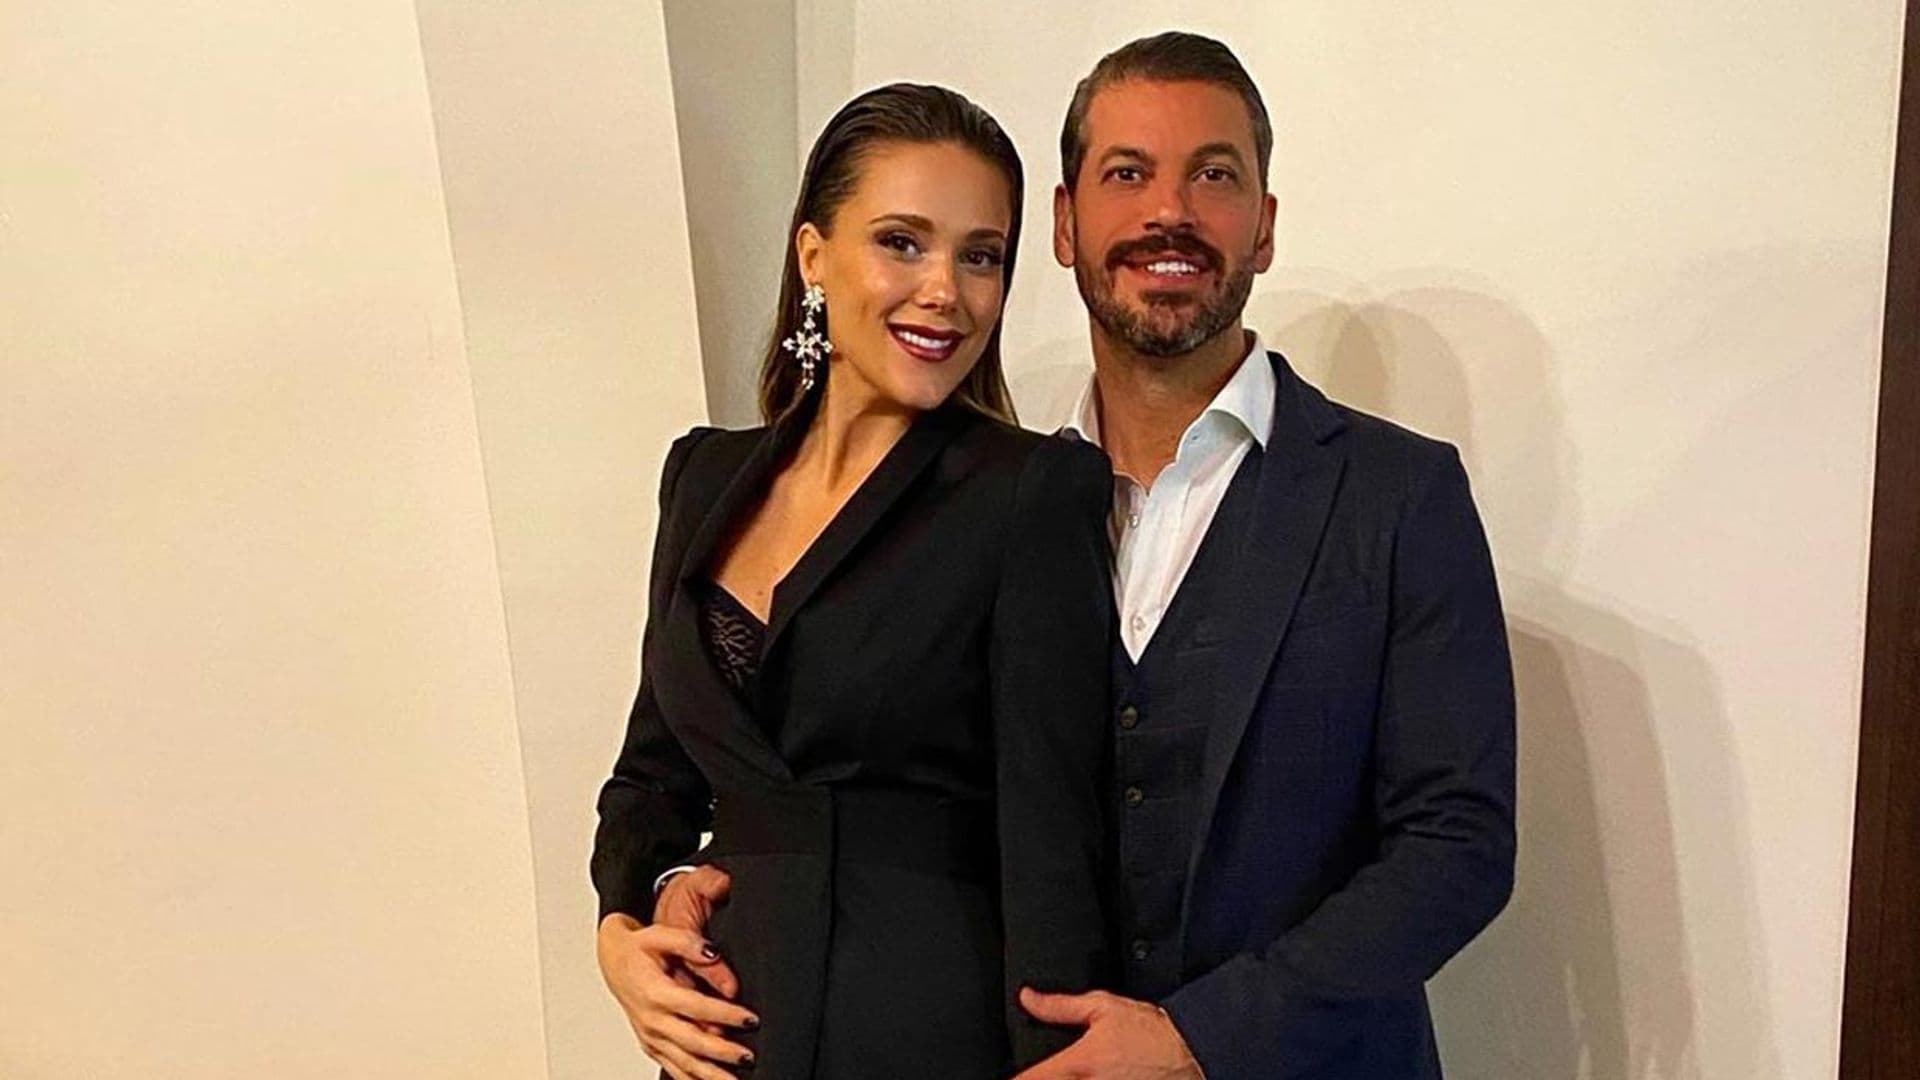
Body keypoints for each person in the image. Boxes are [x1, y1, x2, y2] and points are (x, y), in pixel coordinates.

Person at [648, 32, 1517, 1080]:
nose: (1170, 212)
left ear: (1265, 225)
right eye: (1127, 174)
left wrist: (1202, 1036)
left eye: (1215, 175)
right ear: (1064, 226)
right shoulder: (993, 499)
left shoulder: (1398, 495)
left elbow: (1457, 847)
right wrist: (666, 891)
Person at [589, 83, 1115, 1080]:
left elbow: (1052, 839)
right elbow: (652, 778)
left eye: (981, 256)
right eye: (902, 243)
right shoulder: (702, 477)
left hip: (925, 1035)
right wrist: (624, 931)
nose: (945, 290)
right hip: (719, 1044)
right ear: (814, 255)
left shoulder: (1031, 492)